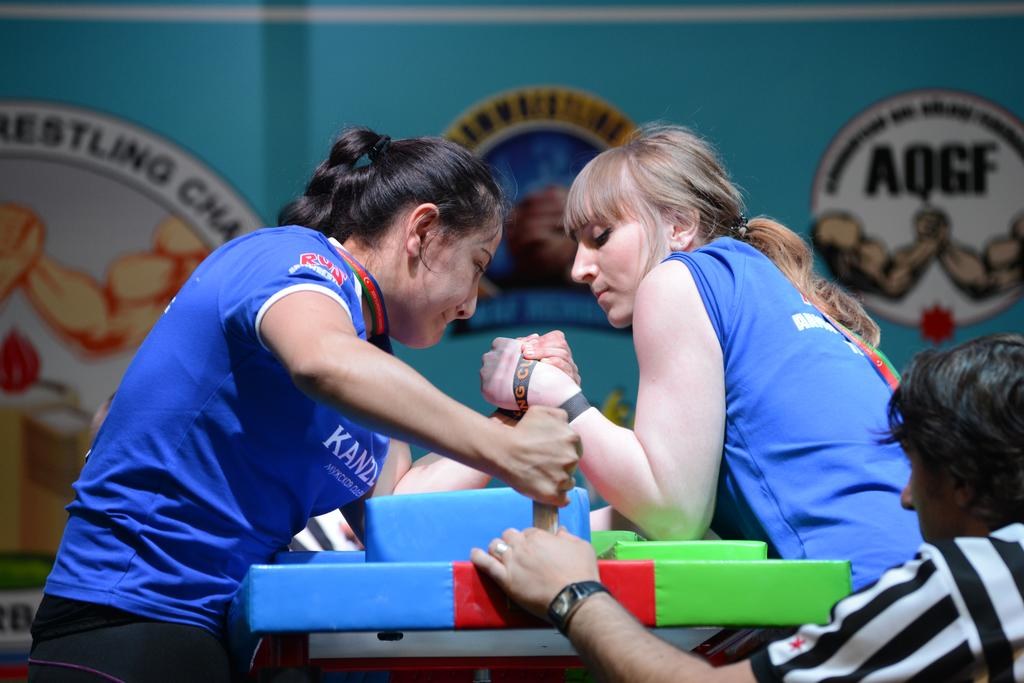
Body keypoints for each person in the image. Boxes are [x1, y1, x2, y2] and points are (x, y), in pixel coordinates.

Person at [28, 127, 580, 681]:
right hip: (125, 616)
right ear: (423, 230)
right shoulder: (287, 258)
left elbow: (397, 512)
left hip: (220, 633)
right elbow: (321, 361)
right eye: (478, 264)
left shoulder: (369, 359)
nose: (470, 304)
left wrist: (514, 417)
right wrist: (503, 448)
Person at [481, 123, 921, 589]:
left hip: (872, 593)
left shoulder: (675, 280)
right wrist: (521, 542)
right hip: (927, 576)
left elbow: (674, 516)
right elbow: (670, 510)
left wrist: (551, 391)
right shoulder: (774, 291)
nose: (579, 268)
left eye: (600, 236)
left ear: (679, 225)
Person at [473, 333, 1024, 682]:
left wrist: (575, 595)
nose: (907, 496)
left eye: (916, 469)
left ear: (963, 483)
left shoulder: (970, 584)